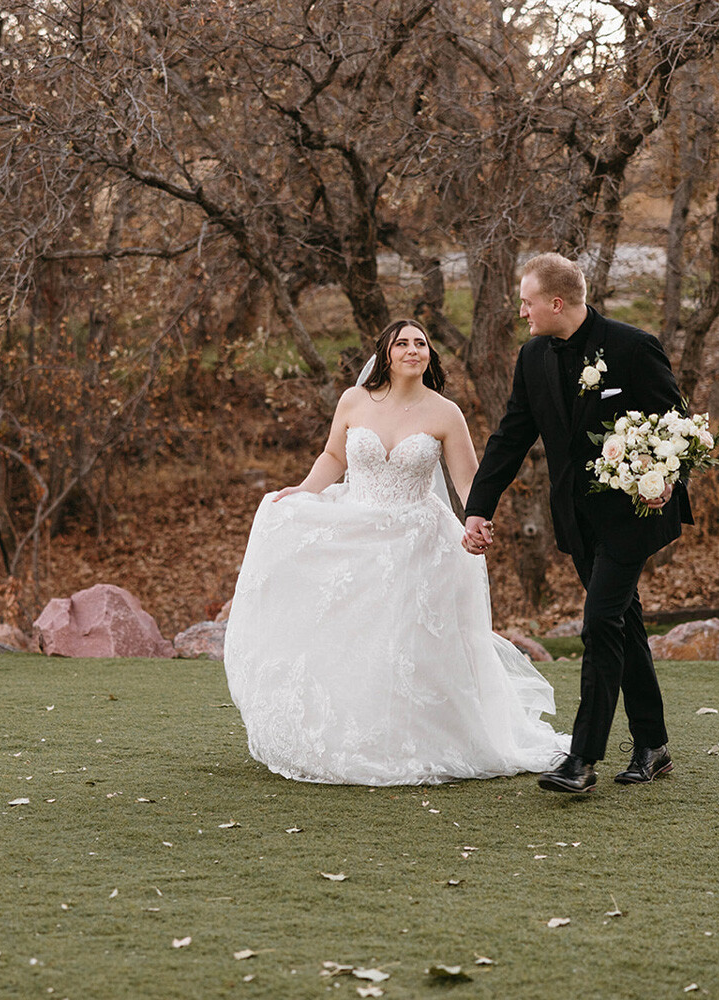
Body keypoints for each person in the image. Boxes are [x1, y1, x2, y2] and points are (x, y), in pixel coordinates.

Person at [223, 319, 569, 786]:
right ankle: (351, 736)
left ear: (430, 355)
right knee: (352, 637)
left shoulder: (445, 413)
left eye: (421, 343)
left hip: (417, 540)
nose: (412, 349)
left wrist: (477, 520)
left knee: (407, 644)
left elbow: (469, 480)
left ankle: (418, 739)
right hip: (355, 529)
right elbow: (334, 458)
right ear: (385, 352)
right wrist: (303, 492)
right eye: (402, 343)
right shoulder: (354, 400)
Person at [463, 252, 692, 794]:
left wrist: (662, 482)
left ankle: (581, 760)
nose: (522, 311)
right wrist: (479, 505)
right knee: (623, 625)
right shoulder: (533, 356)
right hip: (576, 519)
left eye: (527, 301)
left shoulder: (633, 347)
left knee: (599, 625)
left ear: (556, 302)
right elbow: (511, 436)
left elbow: (675, 425)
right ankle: (653, 745)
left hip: (634, 517)